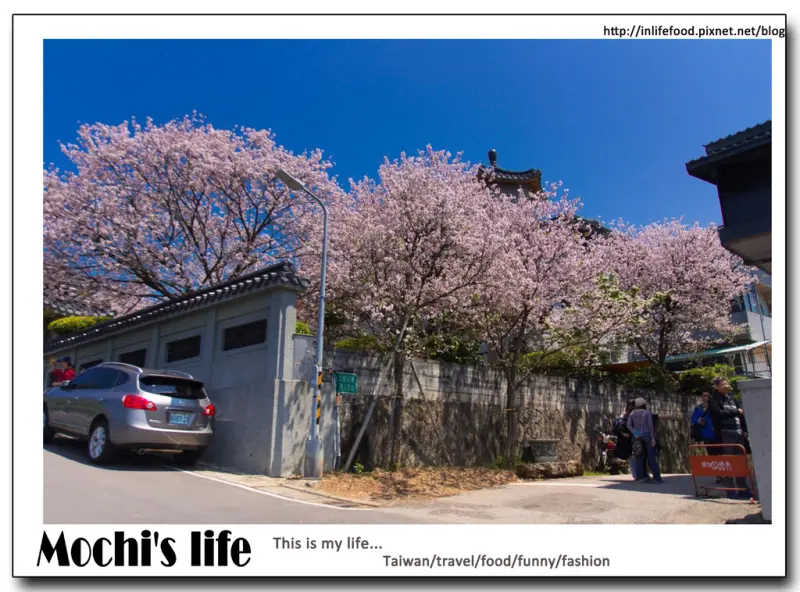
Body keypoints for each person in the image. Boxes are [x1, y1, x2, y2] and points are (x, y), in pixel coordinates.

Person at [708, 376, 751, 499]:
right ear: (716, 387)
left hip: (739, 432)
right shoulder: (714, 400)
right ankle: (731, 489)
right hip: (725, 433)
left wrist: (745, 430)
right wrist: (736, 411)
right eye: (722, 384)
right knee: (728, 463)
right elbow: (718, 414)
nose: (726, 386)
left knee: (740, 462)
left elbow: (742, 414)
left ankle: (743, 489)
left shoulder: (733, 399)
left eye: (726, 383)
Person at [626, 397, 663, 484]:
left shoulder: (632, 413)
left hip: (637, 436)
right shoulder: (647, 413)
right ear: (643, 405)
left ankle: (640, 477)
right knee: (651, 456)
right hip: (647, 435)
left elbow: (628, 425)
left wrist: (635, 433)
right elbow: (650, 426)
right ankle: (657, 478)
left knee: (639, 456)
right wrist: (653, 438)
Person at [613, 399, 637, 479]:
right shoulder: (624, 416)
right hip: (627, 440)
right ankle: (636, 475)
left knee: (633, 456)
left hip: (630, 438)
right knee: (632, 456)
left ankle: (637, 474)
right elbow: (619, 428)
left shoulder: (625, 415)